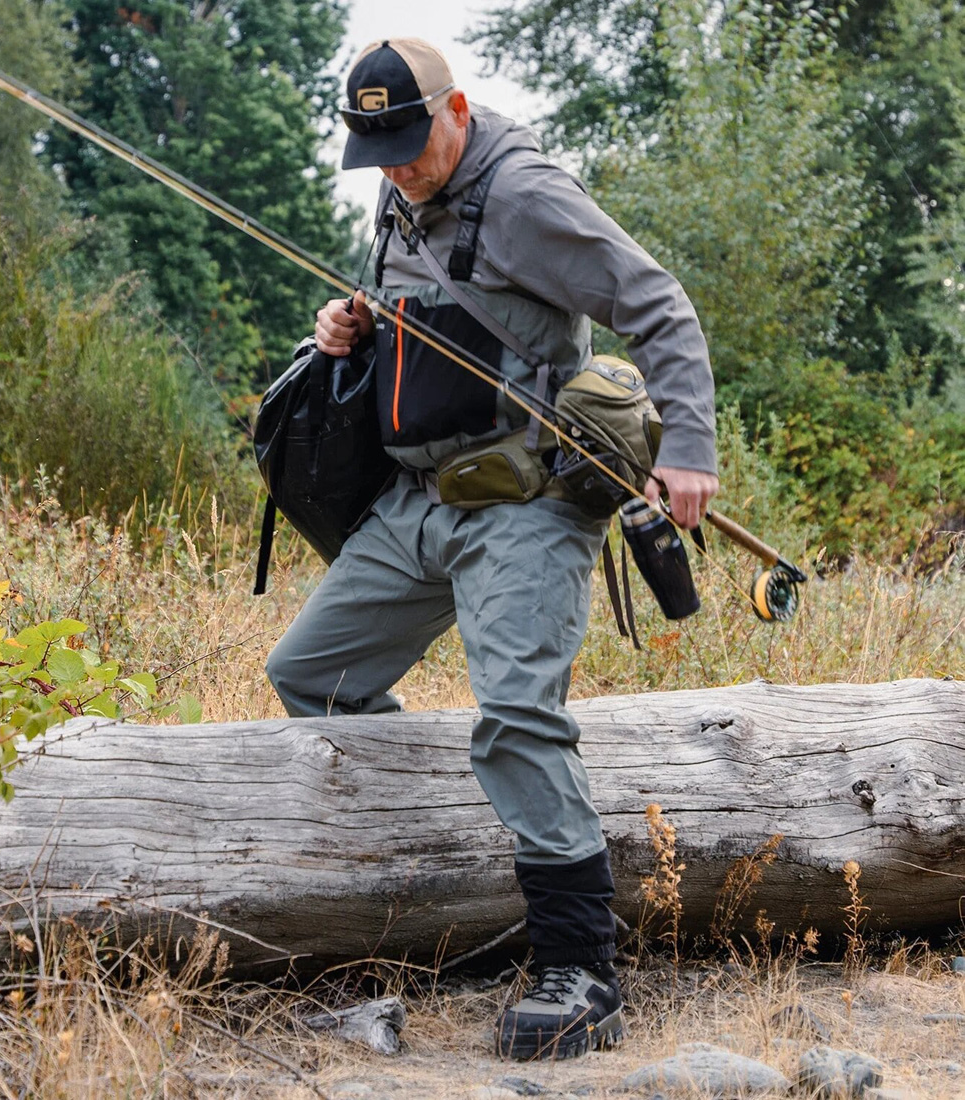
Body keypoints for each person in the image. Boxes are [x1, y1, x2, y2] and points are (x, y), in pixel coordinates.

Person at [266, 38, 719, 1060]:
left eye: (407, 143)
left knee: (516, 712)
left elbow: (657, 301)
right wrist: (348, 329)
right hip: (415, 502)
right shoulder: (392, 193)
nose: (394, 166)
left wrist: (687, 447)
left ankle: (579, 968)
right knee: (310, 675)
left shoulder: (522, 195)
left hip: (525, 503)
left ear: (455, 109)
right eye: (373, 148)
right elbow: (416, 319)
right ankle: (457, 886)